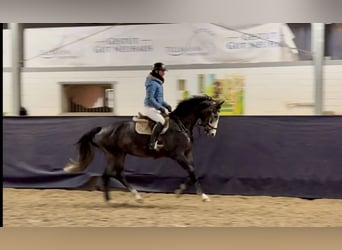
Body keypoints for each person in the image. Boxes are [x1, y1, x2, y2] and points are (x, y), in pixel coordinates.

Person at [143, 62, 172, 150]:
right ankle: (152, 143)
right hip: (149, 108)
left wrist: (167, 106)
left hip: (155, 108)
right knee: (162, 121)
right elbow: (151, 99)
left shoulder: (158, 83)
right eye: (162, 71)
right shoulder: (151, 83)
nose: (164, 73)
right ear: (156, 71)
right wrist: (160, 108)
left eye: (164, 71)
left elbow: (159, 99)